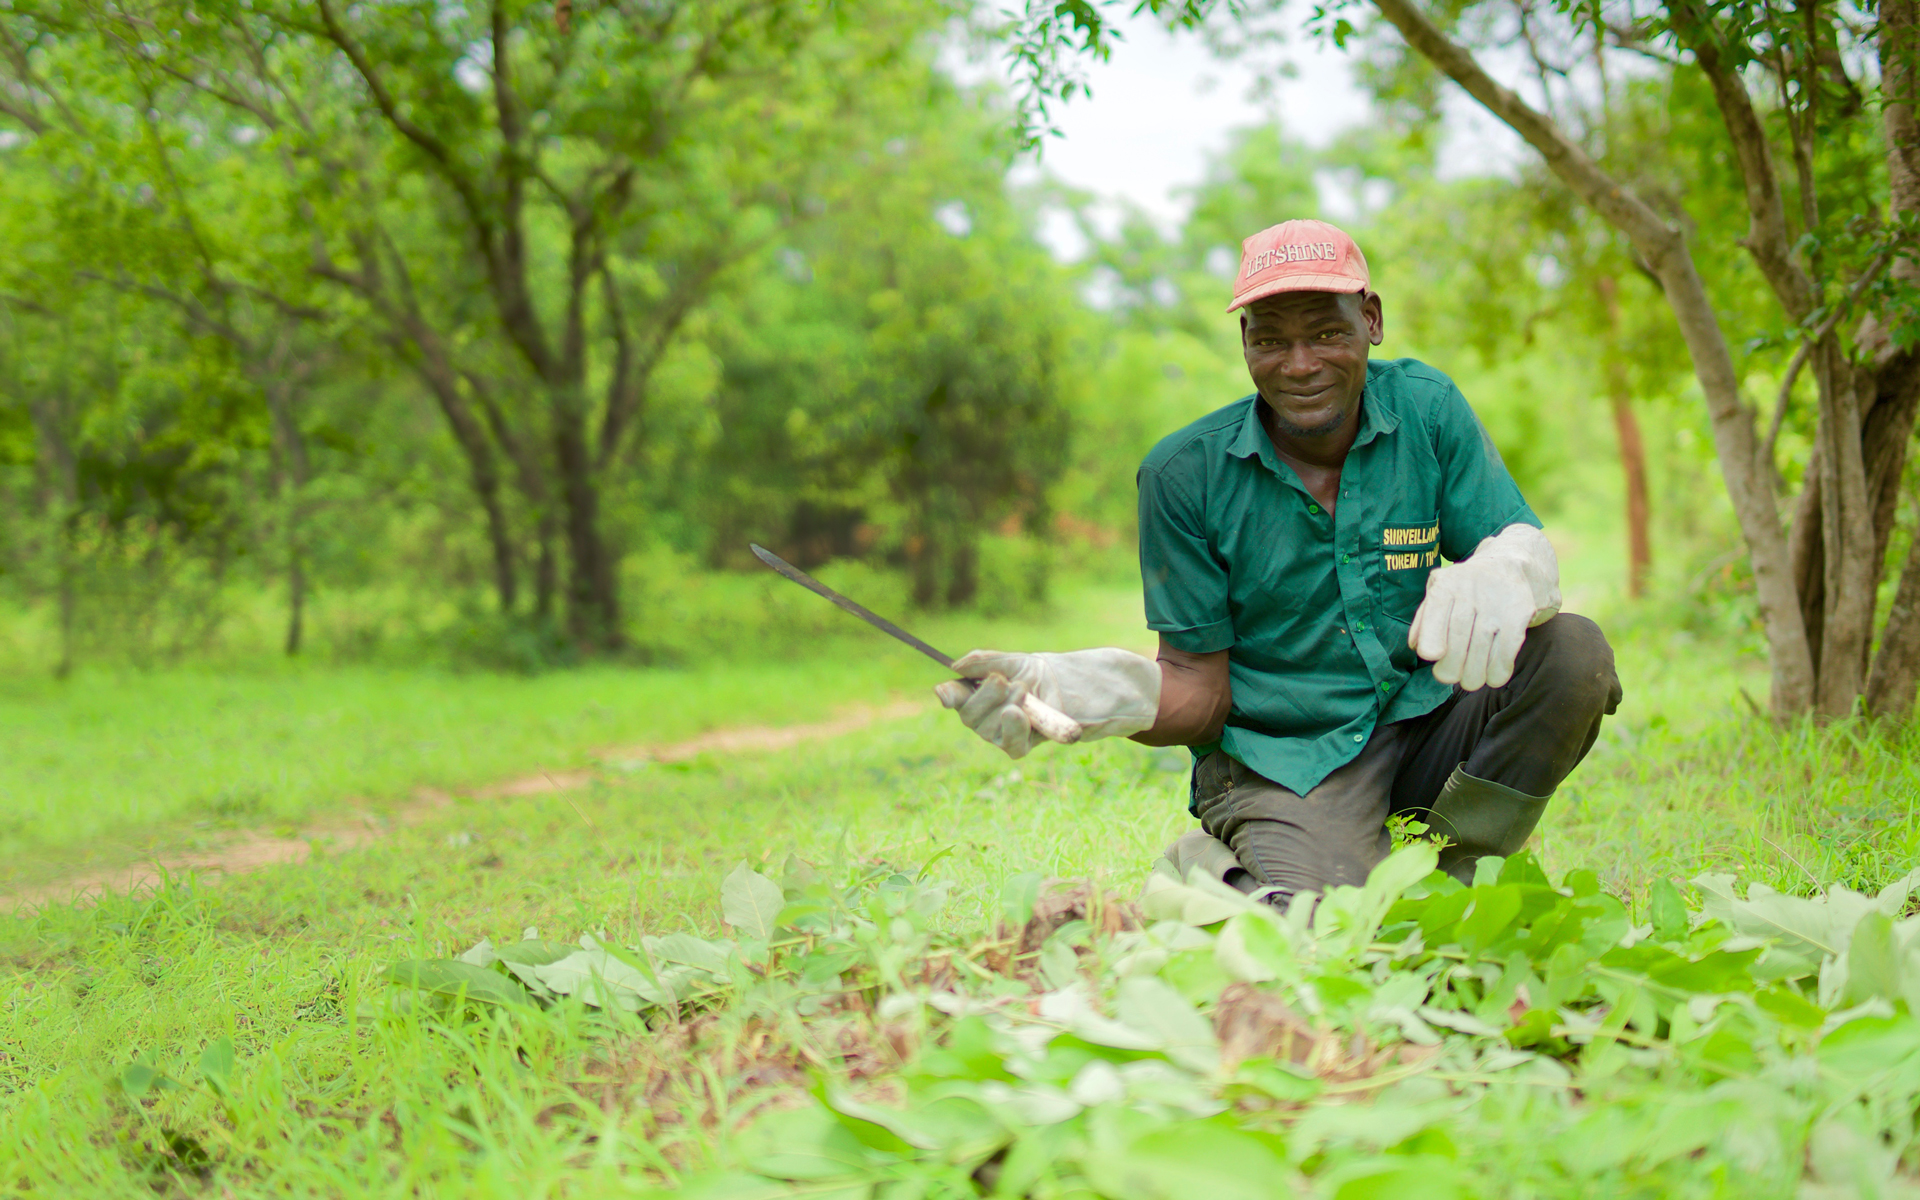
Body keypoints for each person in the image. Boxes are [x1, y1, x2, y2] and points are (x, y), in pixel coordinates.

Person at [942, 218, 1622, 903]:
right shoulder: (1185, 476)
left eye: (1326, 333)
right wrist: (1087, 694)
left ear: (1371, 319)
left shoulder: (1427, 412)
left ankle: (1452, 868)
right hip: (1285, 767)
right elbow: (1199, 693)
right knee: (1322, 933)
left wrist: (1506, 566)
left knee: (1572, 654)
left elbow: (1516, 543)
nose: (1299, 364)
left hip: (1421, 728)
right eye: (1270, 339)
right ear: (1244, 342)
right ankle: (1216, 867)